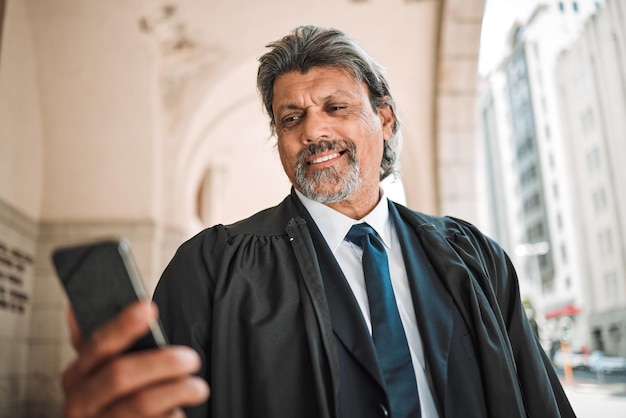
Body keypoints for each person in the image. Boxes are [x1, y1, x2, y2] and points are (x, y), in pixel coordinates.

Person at [61, 25, 576, 418]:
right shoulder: (213, 266)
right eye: (291, 118)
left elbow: (535, 396)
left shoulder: (473, 257)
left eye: (335, 106)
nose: (314, 130)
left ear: (385, 120)